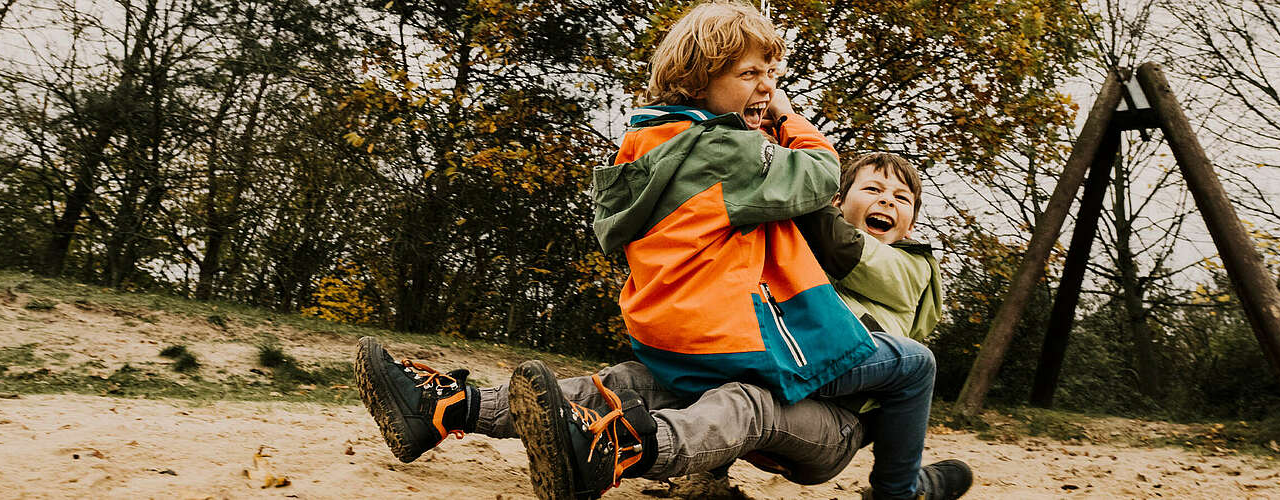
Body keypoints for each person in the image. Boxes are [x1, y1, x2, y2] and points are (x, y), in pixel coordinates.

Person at [354, 151, 970, 499]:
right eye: (875, 188)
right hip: (777, 378)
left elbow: (829, 235)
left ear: (912, 221)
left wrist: (787, 147)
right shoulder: (800, 261)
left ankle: (622, 448)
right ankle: (448, 409)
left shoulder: (907, 268)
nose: (888, 201)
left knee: (747, 398)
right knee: (632, 379)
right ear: (845, 200)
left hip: (828, 426)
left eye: (902, 197)